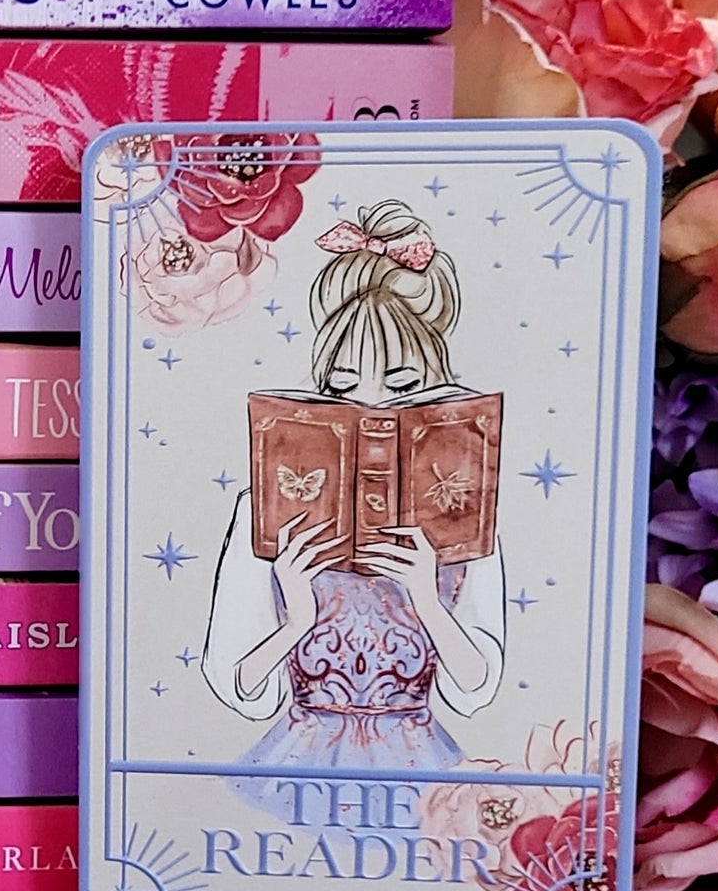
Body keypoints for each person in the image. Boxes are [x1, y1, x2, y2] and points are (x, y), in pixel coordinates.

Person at [201, 199, 505, 779]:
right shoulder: (260, 509)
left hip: (421, 769)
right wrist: (295, 614)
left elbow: (478, 686)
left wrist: (425, 597)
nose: (371, 408)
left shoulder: (469, 510)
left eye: (403, 388)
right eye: (342, 390)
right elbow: (237, 684)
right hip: (296, 763)